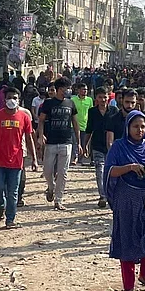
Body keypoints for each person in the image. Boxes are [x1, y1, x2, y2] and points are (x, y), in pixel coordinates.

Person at [103, 110, 145, 291]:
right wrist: (130, 167)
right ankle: (128, 287)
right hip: (126, 198)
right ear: (127, 128)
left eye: (142, 126)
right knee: (127, 239)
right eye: (135, 126)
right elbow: (109, 171)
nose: (139, 130)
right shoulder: (119, 146)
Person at [0, 87, 37, 228]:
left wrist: (34, 158)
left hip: (16, 161)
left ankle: (10, 219)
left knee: (13, 192)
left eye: (15, 98)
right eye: (9, 97)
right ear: (4, 100)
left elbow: (29, 138)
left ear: (19, 100)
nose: (12, 100)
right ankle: (1, 205)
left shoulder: (24, 117)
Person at [38, 77, 82, 211]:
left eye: (68, 88)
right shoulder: (48, 103)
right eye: (64, 89)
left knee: (63, 173)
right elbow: (41, 121)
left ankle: (58, 200)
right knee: (47, 170)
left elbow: (75, 124)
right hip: (51, 142)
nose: (67, 91)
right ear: (58, 89)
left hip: (66, 142)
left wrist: (78, 143)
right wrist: (41, 135)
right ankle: (51, 187)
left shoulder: (71, 103)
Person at [85, 87, 119, 208]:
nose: (103, 99)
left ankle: (112, 193)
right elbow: (89, 129)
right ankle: (103, 195)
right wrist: (85, 145)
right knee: (100, 170)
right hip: (97, 145)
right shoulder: (92, 112)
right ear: (96, 99)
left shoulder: (114, 110)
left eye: (105, 97)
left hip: (112, 146)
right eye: (100, 97)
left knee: (111, 171)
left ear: (108, 98)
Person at [70, 83, 93, 165]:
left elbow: (91, 112)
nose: (85, 91)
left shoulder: (89, 100)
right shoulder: (73, 99)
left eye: (86, 90)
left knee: (84, 142)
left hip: (85, 125)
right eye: (83, 89)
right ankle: (75, 157)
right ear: (78, 90)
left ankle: (81, 158)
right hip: (74, 125)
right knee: (75, 141)